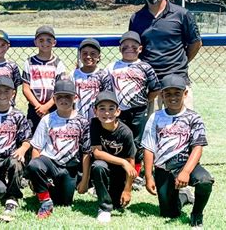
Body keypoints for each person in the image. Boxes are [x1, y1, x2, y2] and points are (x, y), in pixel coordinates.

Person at [141, 74, 214, 229]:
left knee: (205, 180)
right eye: (168, 94)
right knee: (169, 214)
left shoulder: (193, 117)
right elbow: (148, 147)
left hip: (186, 164)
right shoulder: (156, 117)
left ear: (185, 94)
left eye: (177, 93)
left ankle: (197, 214)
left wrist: (186, 171)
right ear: (162, 95)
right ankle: (184, 196)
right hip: (164, 168)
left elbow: (197, 147)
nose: (172, 97)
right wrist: (148, 176)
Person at [129, 0, 201, 111]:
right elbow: (133, 47)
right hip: (150, 85)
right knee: (153, 129)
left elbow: (196, 43)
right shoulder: (136, 18)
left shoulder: (182, 14)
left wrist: (181, 62)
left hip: (178, 82)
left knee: (183, 128)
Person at [25, 79, 91, 219]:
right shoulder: (47, 119)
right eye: (59, 96)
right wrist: (34, 177)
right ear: (53, 98)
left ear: (75, 98)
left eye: (68, 96)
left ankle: (48, 190)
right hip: (50, 162)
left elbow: (86, 152)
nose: (63, 100)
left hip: (70, 166)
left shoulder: (82, 121)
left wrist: (85, 180)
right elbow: (36, 148)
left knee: (64, 203)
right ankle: (45, 201)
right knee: (34, 164)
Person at [106, 31, 160, 183]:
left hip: (138, 110)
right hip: (118, 111)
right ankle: (117, 171)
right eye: (125, 46)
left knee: (137, 141)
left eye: (134, 46)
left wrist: (145, 100)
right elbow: (105, 87)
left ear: (140, 49)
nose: (129, 48)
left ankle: (135, 174)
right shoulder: (113, 67)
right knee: (117, 140)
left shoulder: (145, 67)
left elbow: (155, 87)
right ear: (120, 48)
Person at [0, 76, 32, 220]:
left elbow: (27, 139)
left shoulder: (17, 115)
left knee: (16, 163)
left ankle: (12, 197)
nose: (2, 94)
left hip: (9, 156)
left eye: (7, 91)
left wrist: (22, 149)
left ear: (13, 93)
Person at [90, 91, 137, 223]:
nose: (106, 113)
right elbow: (97, 153)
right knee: (98, 165)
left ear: (118, 112)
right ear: (95, 111)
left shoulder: (126, 132)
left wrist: (128, 190)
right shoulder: (95, 124)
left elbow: (131, 164)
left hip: (119, 172)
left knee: (118, 204)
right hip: (104, 166)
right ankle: (104, 209)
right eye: (102, 109)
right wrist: (122, 161)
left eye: (111, 109)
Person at [22, 25, 66, 133]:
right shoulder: (29, 62)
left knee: (52, 134)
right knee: (33, 135)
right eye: (41, 40)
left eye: (48, 40)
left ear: (54, 43)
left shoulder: (58, 63)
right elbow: (26, 89)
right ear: (36, 42)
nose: (45, 43)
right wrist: (38, 107)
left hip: (53, 106)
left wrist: (46, 106)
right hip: (34, 108)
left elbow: (60, 90)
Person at [71, 38, 111, 120]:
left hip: (98, 118)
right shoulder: (74, 74)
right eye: (84, 53)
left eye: (93, 54)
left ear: (99, 57)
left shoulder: (104, 75)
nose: (88, 56)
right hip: (77, 117)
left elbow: (107, 98)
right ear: (80, 56)